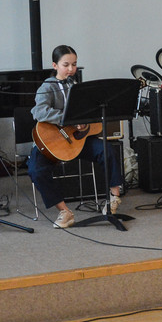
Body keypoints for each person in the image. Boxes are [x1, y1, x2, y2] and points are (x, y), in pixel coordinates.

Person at [28, 45, 123, 228]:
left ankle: (114, 198)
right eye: (66, 65)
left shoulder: (77, 86)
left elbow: (89, 112)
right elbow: (38, 112)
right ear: (55, 65)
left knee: (106, 149)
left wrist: (86, 119)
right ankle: (64, 211)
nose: (71, 69)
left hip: (77, 141)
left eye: (74, 64)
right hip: (52, 142)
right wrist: (68, 120)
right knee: (36, 170)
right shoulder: (47, 87)